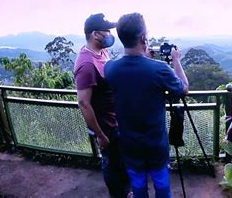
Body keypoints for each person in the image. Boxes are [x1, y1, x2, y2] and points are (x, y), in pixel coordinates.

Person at [104, 13, 189, 198]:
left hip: (129, 144)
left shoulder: (110, 68)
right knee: (162, 187)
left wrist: (143, 56)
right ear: (144, 38)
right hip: (156, 145)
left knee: (139, 187)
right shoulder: (159, 69)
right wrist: (176, 60)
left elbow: (128, 70)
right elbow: (183, 89)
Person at [74, 13, 131, 198]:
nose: (109, 34)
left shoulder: (101, 52)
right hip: (105, 127)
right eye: (106, 31)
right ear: (95, 34)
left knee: (121, 160)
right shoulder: (86, 65)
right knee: (112, 164)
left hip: (115, 120)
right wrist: (100, 134)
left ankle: (125, 191)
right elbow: (83, 103)